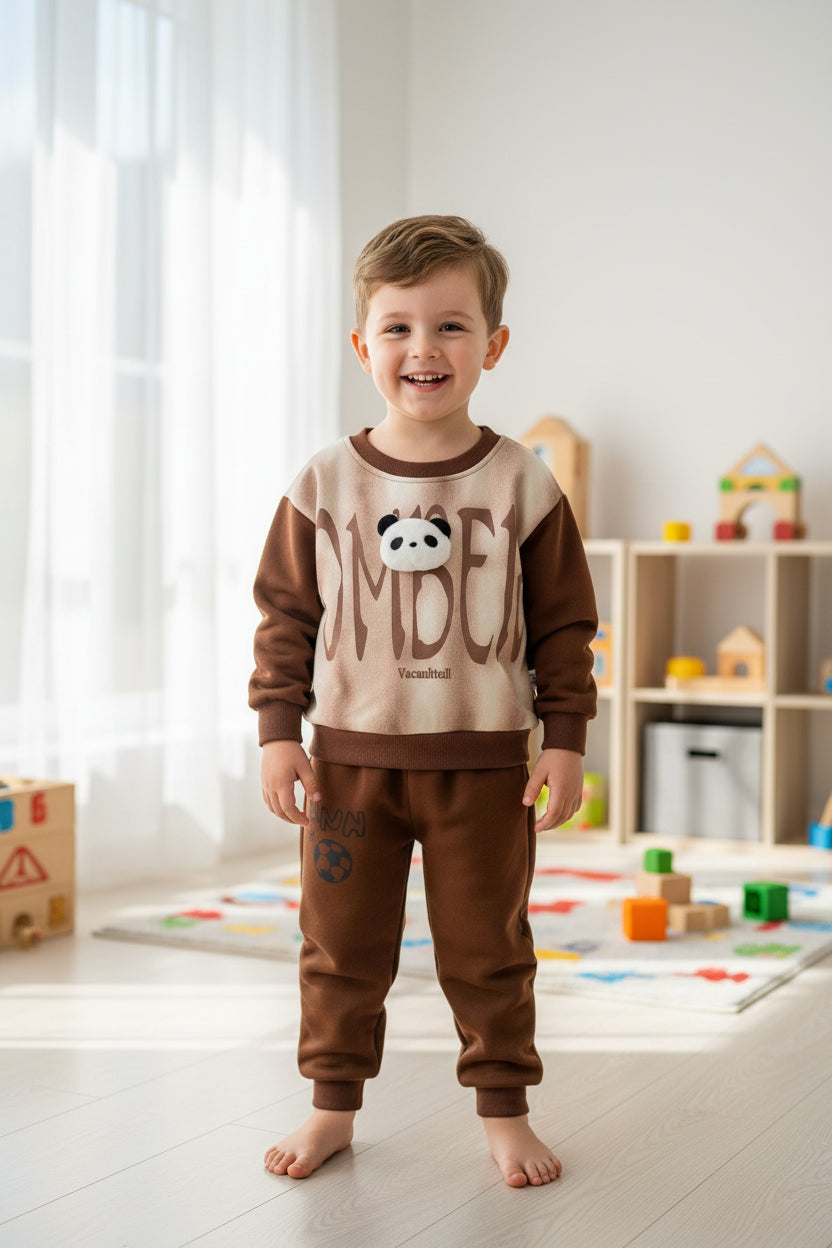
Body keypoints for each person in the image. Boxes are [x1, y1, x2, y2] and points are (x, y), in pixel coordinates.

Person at [249, 215, 597, 1188]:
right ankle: (331, 1107)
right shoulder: (325, 482)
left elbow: (566, 626)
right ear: (363, 347)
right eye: (397, 328)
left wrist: (562, 741)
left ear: (492, 344)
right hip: (350, 765)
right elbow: (283, 615)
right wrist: (279, 733)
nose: (423, 349)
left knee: (489, 949)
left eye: (449, 326)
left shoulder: (523, 480)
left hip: (484, 767)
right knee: (339, 949)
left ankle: (502, 1111)